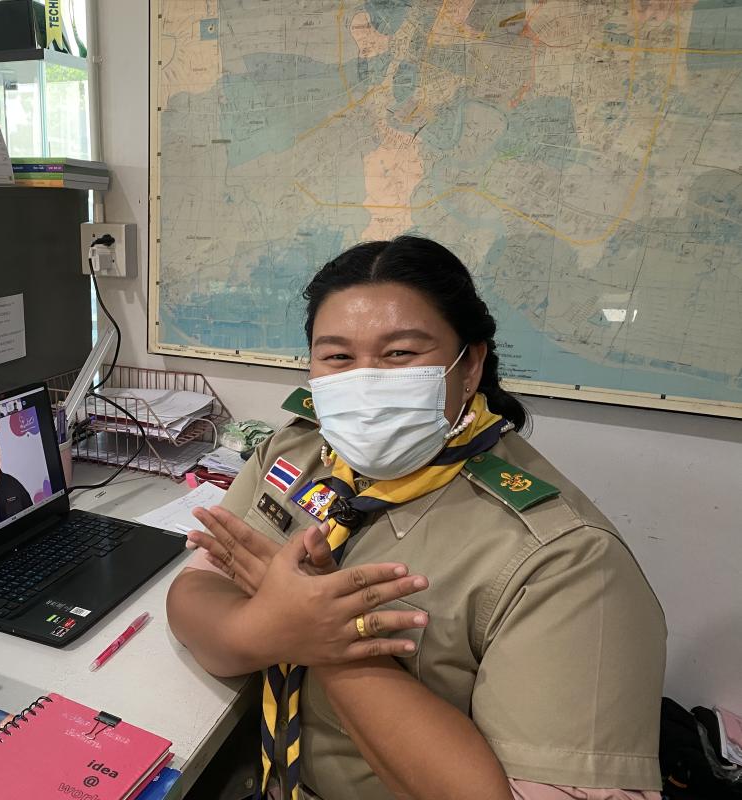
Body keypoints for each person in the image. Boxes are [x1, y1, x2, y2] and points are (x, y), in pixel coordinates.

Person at [167, 236, 666, 800]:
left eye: (401, 354)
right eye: (337, 357)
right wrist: (265, 628)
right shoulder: (299, 451)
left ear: (470, 363)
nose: (366, 381)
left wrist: (331, 644)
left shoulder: (566, 562)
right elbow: (195, 592)